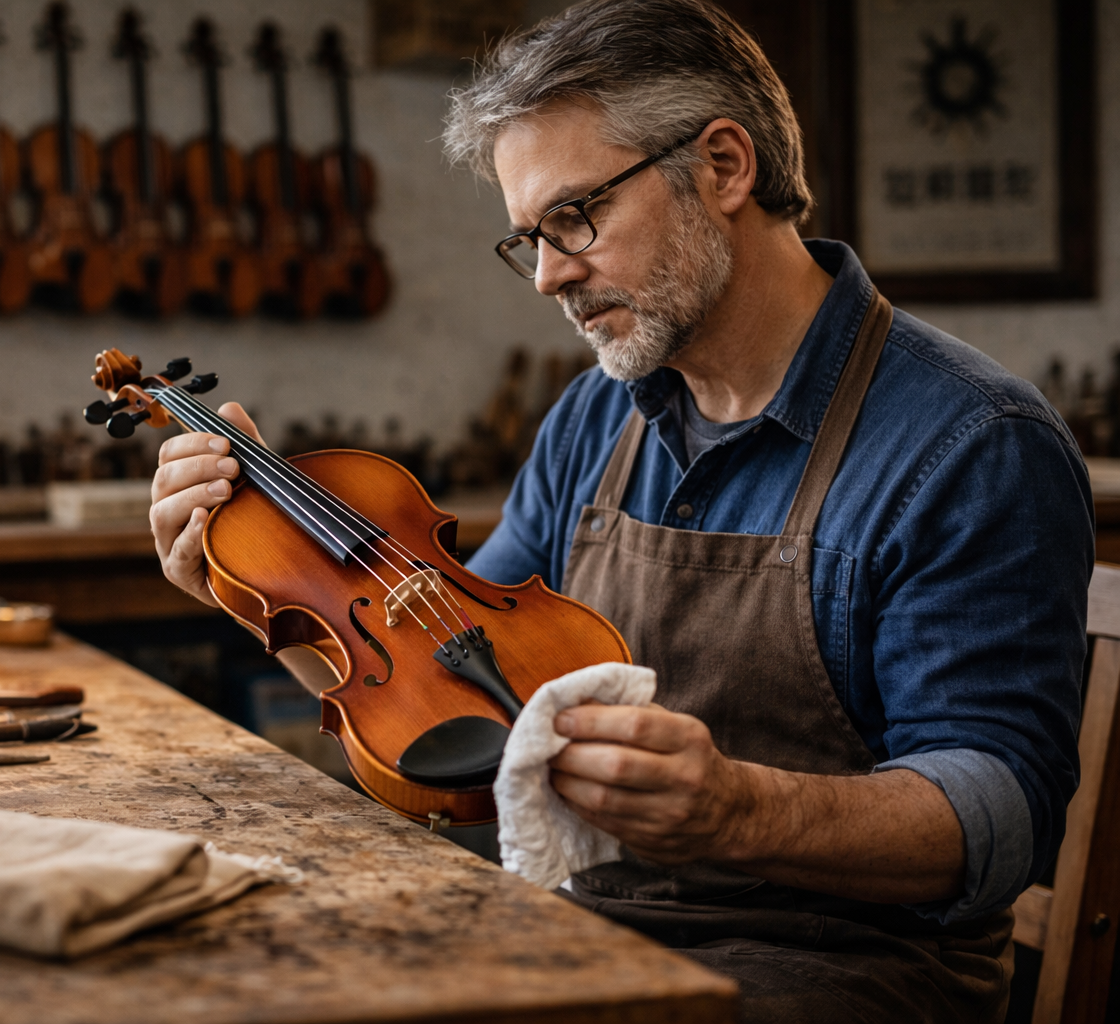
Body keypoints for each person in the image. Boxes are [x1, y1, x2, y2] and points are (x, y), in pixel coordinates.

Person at [146, 1, 1091, 1019]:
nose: (549, 275)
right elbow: (449, 693)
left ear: (724, 166)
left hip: (838, 972)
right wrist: (262, 586)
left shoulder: (971, 442)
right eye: (528, 240)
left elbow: (1003, 817)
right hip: (583, 928)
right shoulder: (600, 412)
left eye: (575, 216)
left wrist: (739, 810)